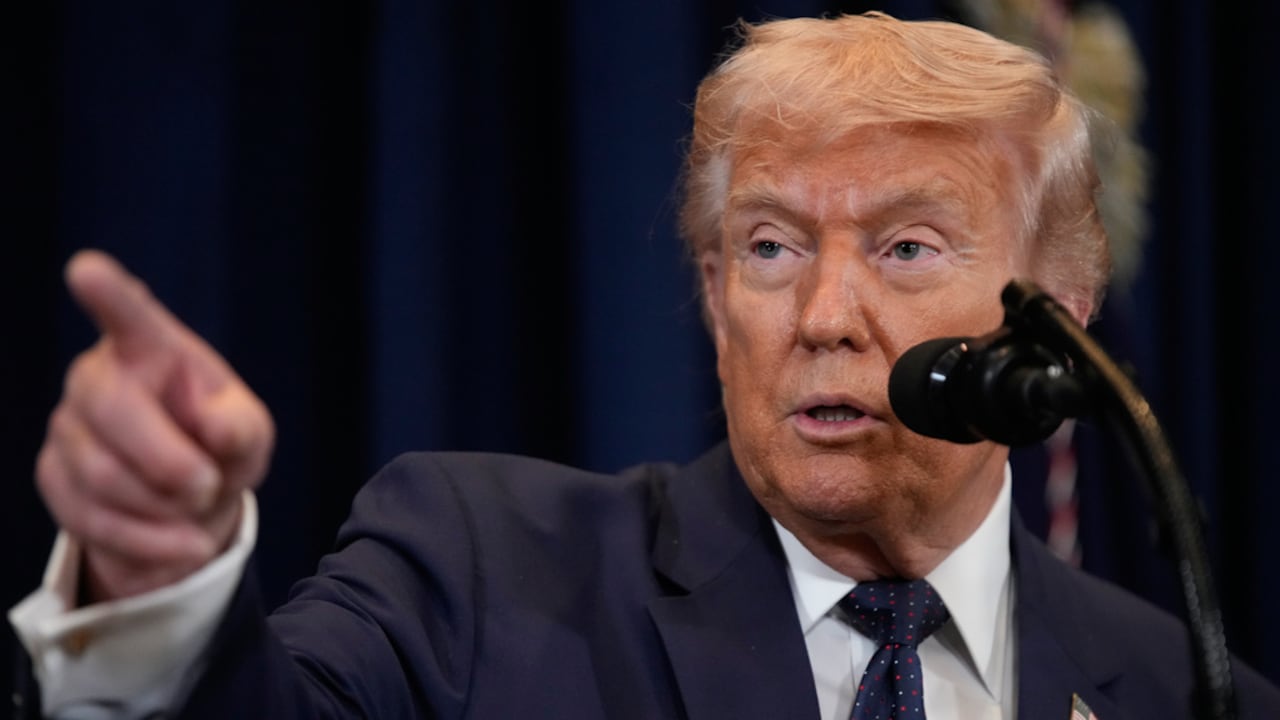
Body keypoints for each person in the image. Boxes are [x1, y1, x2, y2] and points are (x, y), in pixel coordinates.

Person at [9, 10, 1280, 720]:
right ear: (715, 295)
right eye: (770, 247)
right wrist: (160, 590)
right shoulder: (475, 573)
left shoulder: (1185, 692)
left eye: (904, 247)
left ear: (1055, 319)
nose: (822, 316)